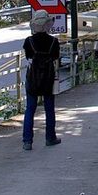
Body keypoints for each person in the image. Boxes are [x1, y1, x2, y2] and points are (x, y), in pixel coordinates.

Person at [22, 10, 61, 150]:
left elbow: (28, 57)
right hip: (48, 78)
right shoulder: (54, 41)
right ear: (47, 24)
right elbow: (56, 57)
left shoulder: (29, 41)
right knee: (49, 109)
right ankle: (50, 137)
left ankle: (27, 141)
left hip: (32, 77)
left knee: (30, 109)